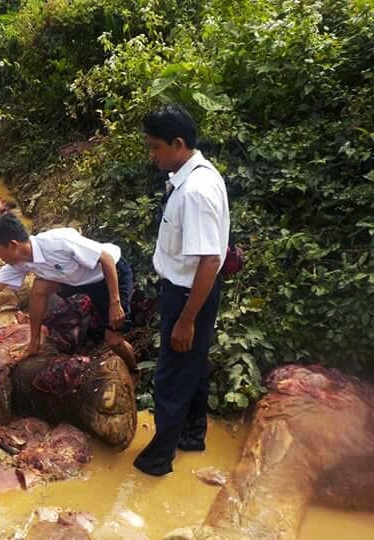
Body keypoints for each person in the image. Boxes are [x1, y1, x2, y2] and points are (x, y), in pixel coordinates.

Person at [132, 105, 230, 477]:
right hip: (190, 292)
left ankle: (158, 459)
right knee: (193, 365)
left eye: (156, 148)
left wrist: (186, 319)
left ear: (178, 143)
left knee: (171, 376)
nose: (152, 155)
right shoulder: (192, 178)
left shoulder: (196, 192)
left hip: (190, 296)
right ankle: (193, 435)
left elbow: (208, 261)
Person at [0, 213, 140, 373]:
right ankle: (34, 344)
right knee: (39, 288)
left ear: (13, 245)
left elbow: (105, 258)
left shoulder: (58, 242)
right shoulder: (18, 262)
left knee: (114, 340)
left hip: (108, 274)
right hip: (74, 279)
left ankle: (134, 370)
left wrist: (115, 302)